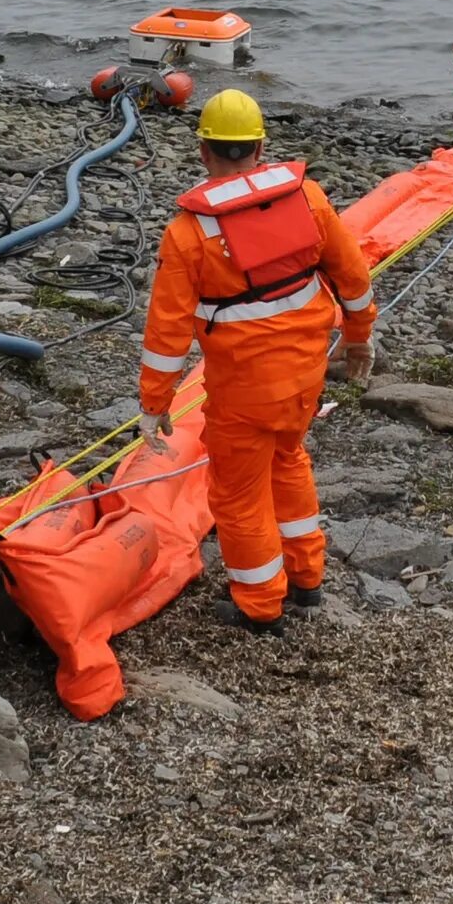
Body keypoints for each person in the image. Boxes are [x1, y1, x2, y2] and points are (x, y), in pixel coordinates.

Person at [138, 89, 377, 633]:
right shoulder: (308, 198)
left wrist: (154, 402)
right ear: (261, 147)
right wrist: (358, 338)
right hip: (305, 376)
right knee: (288, 461)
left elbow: (167, 331)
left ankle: (260, 603)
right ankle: (306, 579)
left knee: (238, 493)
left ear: (204, 152)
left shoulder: (189, 233)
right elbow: (354, 279)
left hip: (244, 389)